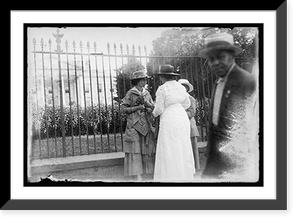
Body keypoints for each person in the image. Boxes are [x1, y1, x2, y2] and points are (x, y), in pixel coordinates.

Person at [198, 32, 257, 180]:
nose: (216, 62)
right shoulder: (218, 82)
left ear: (232, 56)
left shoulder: (247, 82)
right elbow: (214, 124)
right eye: (211, 59)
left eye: (221, 57)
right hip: (215, 160)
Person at [152, 65, 195, 181]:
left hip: (169, 118)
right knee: (182, 145)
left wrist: (153, 114)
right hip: (181, 117)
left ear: (163, 77)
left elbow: (159, 108)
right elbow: (187, 104)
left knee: (169, 146)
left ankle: (170, 176)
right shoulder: (181, 87)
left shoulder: (162, 89)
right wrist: (178, 107)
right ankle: (183, 174)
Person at [121, 70, 156, 181]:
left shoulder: (146, 93)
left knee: (146, 148)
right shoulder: (131, 93)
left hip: (146, 123)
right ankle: (136, 176)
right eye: (143, 79)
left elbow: (153, 107)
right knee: (135, 149)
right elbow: (123, 109)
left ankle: (147, 174)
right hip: (134, 125)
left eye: (145, 79)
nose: (145, 81)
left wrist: (148, 106)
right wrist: (137, 108)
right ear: (137, 81)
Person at [178, 79, 201, 170]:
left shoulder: (191, 99)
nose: (183, 88)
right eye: (181, 87)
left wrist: (179, 113)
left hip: (190, 125)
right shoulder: (178, 100)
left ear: (187, 89)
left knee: (193, 146)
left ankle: (195, 166)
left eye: (185, 87)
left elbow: (192, 112)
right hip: (180, 125)